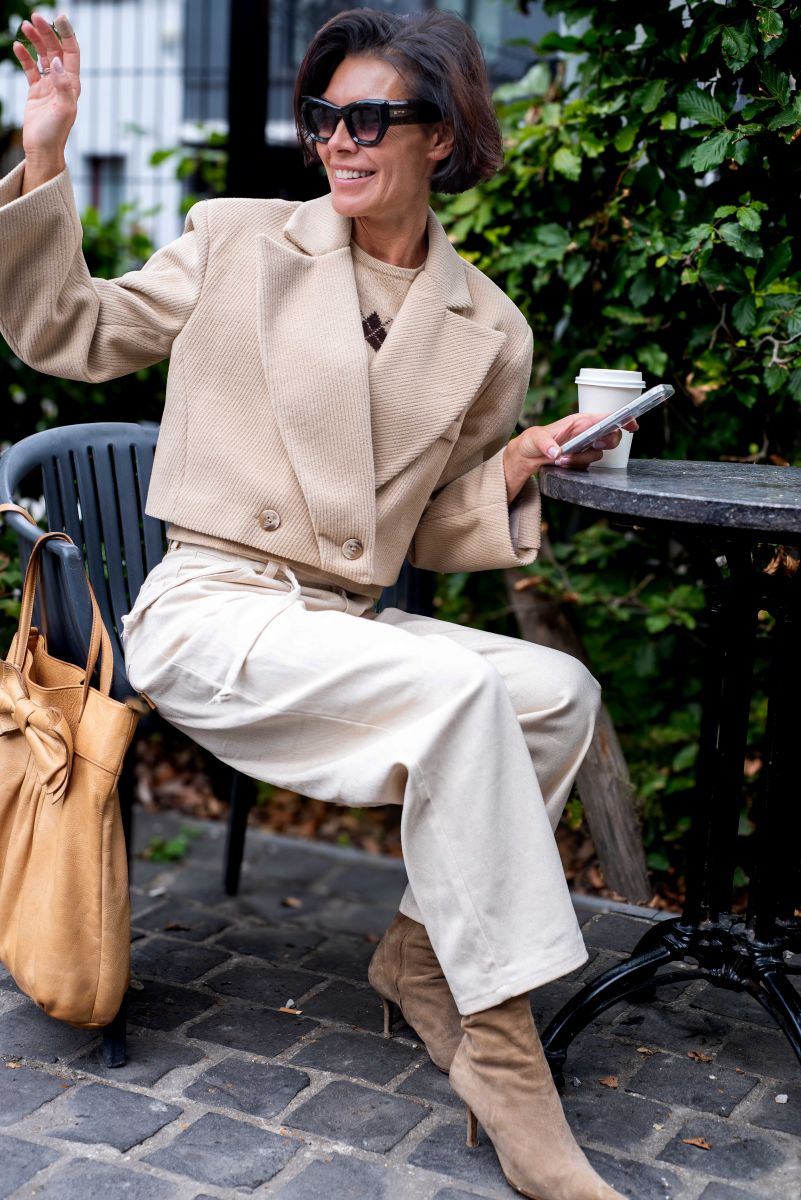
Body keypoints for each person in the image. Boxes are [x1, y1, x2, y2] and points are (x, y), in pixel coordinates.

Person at [0, 11, 634, 1199]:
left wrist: (514, 469)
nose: (339, 142)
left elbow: (412, 530)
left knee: (557, 691)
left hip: (335, 622)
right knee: (456, 695)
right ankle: (503, 1060)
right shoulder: (238, 240)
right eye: (324, 118)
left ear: (439, 136)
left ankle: (424, 956)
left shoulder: (488, 328)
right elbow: (66, 331)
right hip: (210, 607)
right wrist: (44, 156)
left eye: (370, 119)